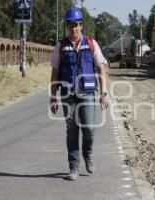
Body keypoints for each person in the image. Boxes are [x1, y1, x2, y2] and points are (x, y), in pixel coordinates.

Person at [49, 7, 109, 181]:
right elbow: (54, 72)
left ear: (81, 25)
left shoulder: (91, 43)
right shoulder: (61, 46)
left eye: (76, 25)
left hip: (88, 93)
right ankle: (73, 167)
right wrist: (53, 97)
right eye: (70, 25)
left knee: (89, 128)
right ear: (67, 26)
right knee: (72, 130)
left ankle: (87, 153)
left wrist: (103, 93)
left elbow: (101, 68)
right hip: (67, 94)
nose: (73, 28)